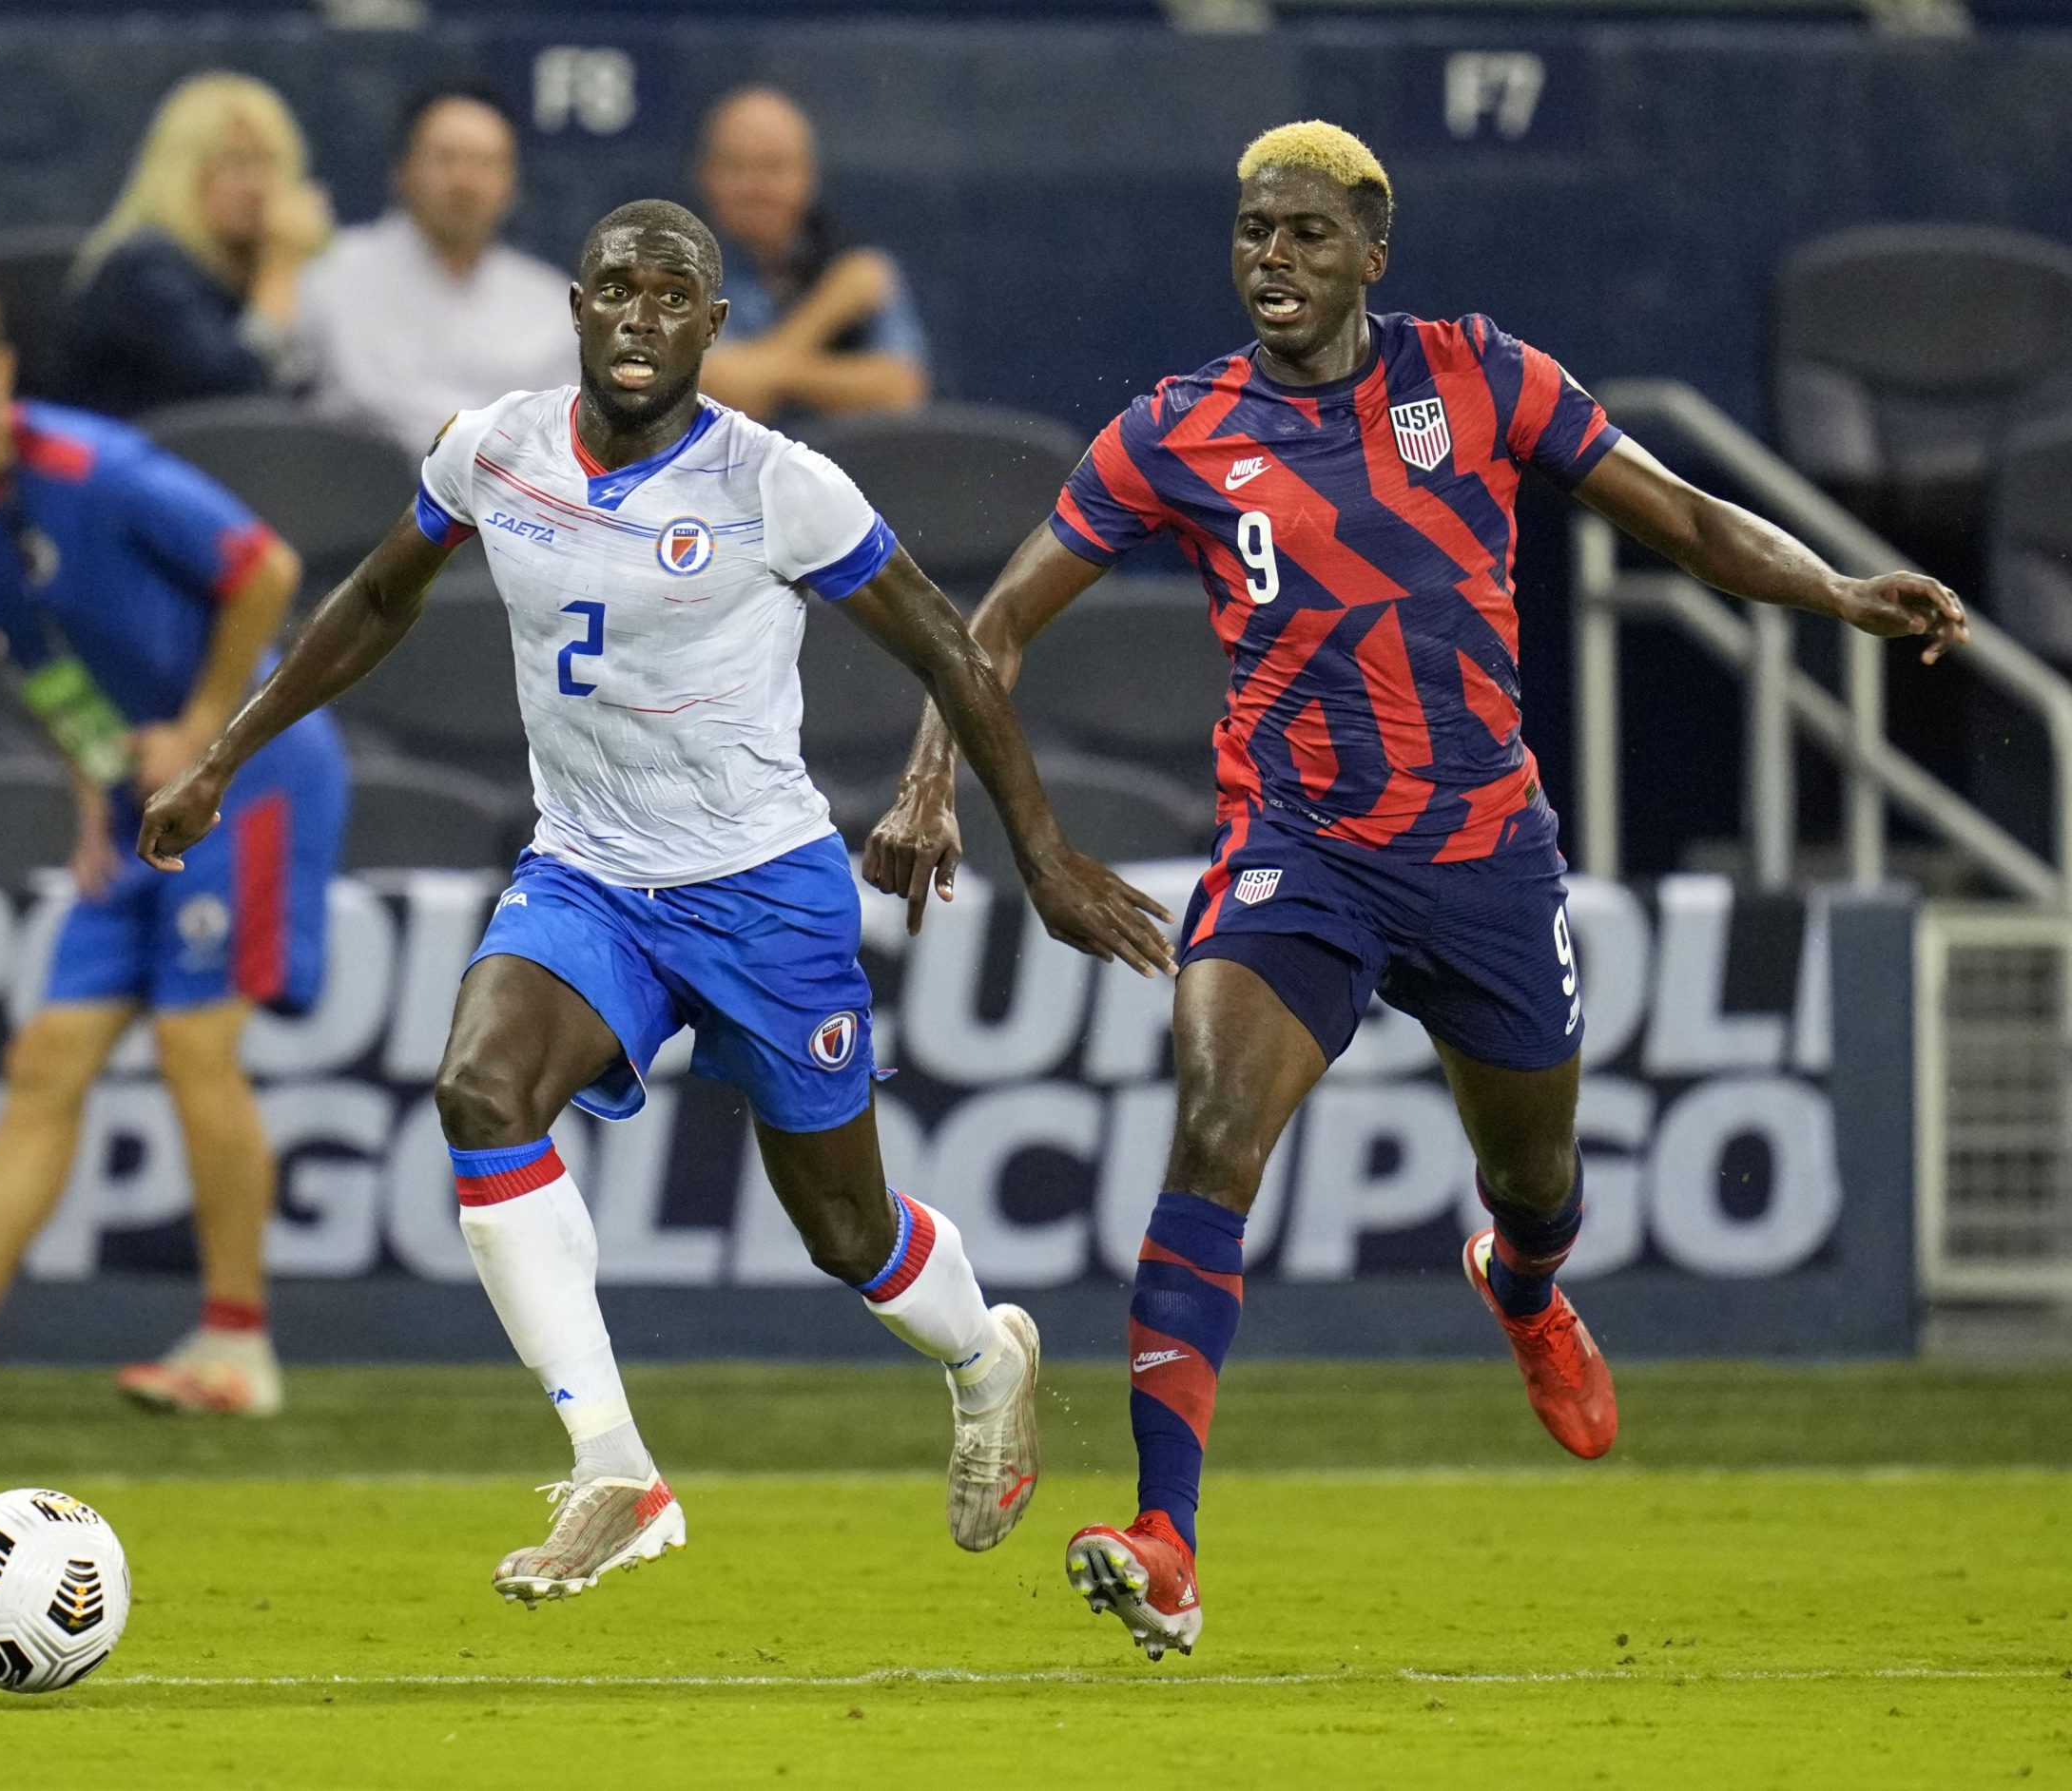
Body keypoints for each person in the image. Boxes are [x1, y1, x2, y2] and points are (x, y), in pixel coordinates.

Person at [863, 121, 1968, 1662]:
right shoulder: (1177, 430)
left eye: (1310, 235)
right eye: (1256, 232)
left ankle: (1522, 1287)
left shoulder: (1485, 376)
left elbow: (1689, 518)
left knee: (1535, 1178)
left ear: (1375, 251)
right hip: (1297, 850)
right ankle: (1166, 1536)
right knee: (1215, 1126)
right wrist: (928, 779)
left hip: (1485, 856)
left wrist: (1836, 587)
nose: (1277, 261)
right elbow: (994, 624)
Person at [138, 199, 1174, 1601]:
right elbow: (374, 603)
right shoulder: (490, 449)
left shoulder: (774, 483)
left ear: (713, 324)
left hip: (763, 894)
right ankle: (616, 1469)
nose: (641, 315)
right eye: (616, 289)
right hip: (590, 877)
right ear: (576, 307)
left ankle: (988, 1358)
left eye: (672, 294)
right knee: (479, 1092)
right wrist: (221, 761)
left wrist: (1035, 848)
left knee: (847, 1234)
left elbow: (950, 646)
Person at [0, 264, 351, 1417]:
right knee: (48, 1055)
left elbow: (266, 570)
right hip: (131, 796)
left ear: (0, 376)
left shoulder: (99, 471)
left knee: (197, 1049)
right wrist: (84, 793)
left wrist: (202, 732)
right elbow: (31, 654)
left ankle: (236, 1348)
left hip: (248, 774)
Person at [296, 84, 574, 456]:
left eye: (486, 163)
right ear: (403, 171)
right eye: (445, 159)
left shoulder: (552, 306)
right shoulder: (331, 276)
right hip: (356, 494)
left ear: (511, 184)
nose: (465, 182)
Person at [59, 71, 331, 418]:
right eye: (236, 163)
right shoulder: (143, 271)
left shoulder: (252, 274)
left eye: (270, 162)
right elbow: (235, 398)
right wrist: (278, 269)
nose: (258, 186)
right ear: (181, 174)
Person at [691, 87, 930, 423]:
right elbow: (721, 397)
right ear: (706, 175)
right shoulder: (667, 273)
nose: (755, 188)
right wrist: (832, 308)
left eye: (773, 168)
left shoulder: (852, 261)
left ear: (807, 177)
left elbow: (900, 390)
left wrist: (763, 371)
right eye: (736, 168)